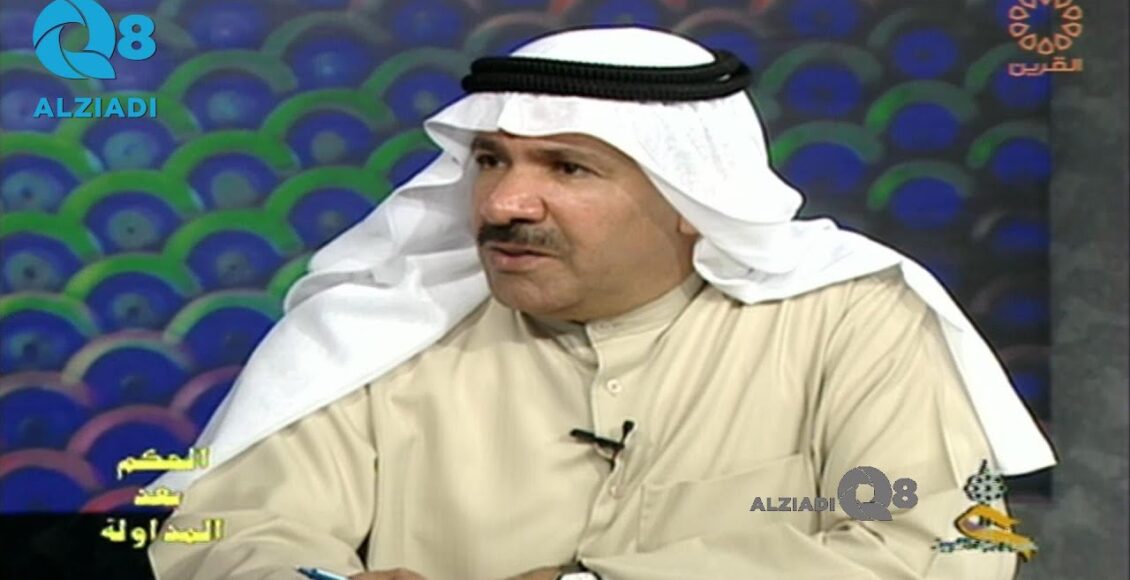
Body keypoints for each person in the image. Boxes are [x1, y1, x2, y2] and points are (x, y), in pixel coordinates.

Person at [148, 26, 1056, 580]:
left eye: (568, 168)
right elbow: (235, 528)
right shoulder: (385, 325)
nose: (504, 203)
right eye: (492, 161)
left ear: (691, 201)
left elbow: (938, 551)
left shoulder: (849, 320)